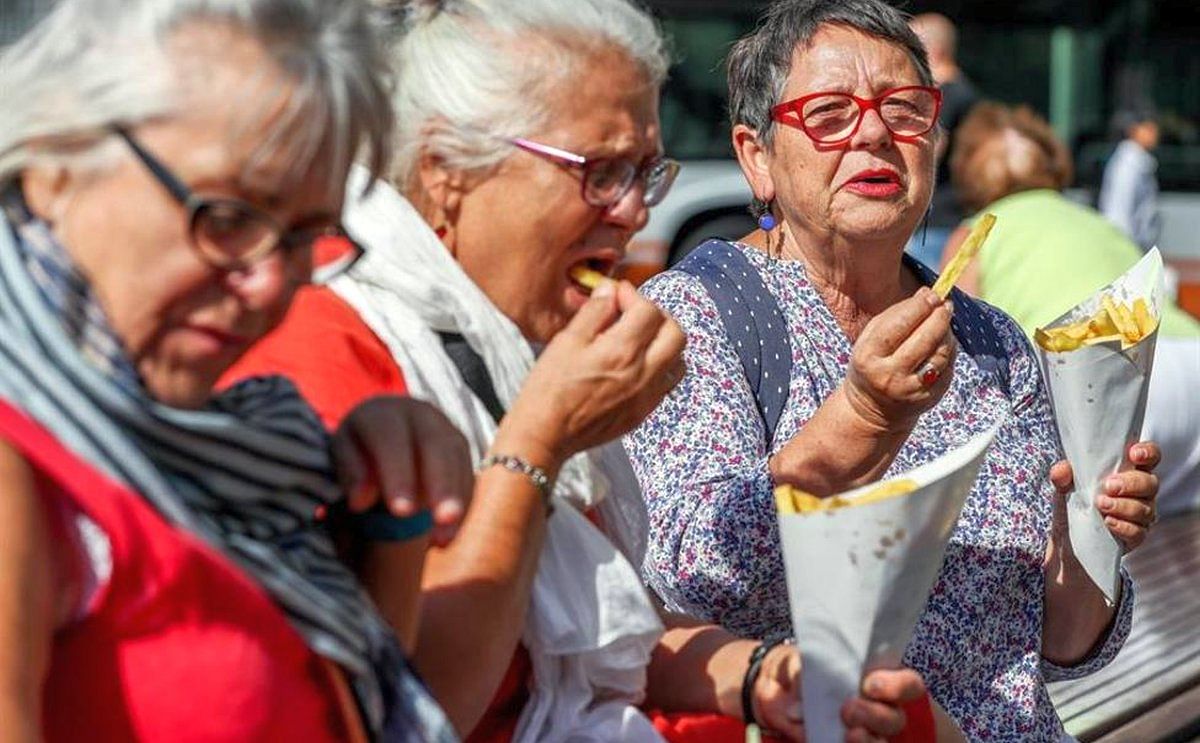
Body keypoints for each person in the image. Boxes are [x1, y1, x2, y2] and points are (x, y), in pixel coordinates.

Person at [225, 1, 950, 740]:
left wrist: (760, 676)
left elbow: (613, 625)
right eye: (600, 172)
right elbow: (418, 702)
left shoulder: (525, 338)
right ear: (447, 173)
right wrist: (540, 441)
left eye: (645, 172)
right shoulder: (331, 349)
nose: (634, 211)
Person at [624, 0, 1164, 739]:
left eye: (906, 109)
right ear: (758, 156)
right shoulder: (699, 315)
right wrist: (863, 419)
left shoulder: (991, 337)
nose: (876, 132)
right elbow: (694, 581)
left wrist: (1086, 533)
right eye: (831, 112)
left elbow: (1064, 648)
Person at [0, 0, 466, 739]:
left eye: (303, 238)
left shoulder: (211, 440)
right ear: (57, 163)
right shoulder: (20, 463)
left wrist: (388, 511)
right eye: (228, 216)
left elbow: (351, 691)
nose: (269, 282)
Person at [943, 101, 1200, 515]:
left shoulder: (976, 232)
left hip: (1108, 375)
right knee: (1169, 543)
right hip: (1186, 358)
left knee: (1097, 531)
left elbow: (954, 336)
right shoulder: (1095, 221)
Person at [905, 12, 978, 269]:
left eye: (910, 47)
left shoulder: (945, 97)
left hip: (938, 220)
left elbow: (932, 150)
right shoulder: (968, 92)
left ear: (932, 50)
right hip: (954, 216)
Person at [1099, 108, 1161, 252]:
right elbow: (1119, 211)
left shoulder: (1141, 162)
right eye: (1149, 129)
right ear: (1134, 130)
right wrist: (1125, 251)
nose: (1155, 134)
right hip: (1127, 246)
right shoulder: (1127, 165)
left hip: (1137, 245)